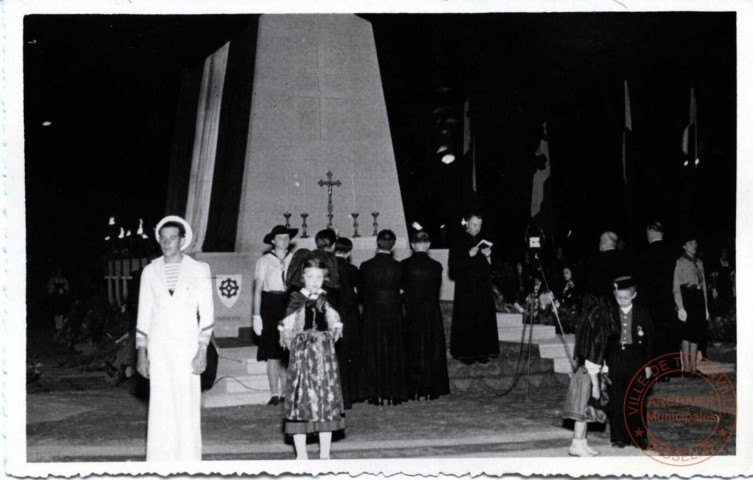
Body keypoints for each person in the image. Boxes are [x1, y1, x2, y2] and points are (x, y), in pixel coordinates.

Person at [136, 215, 214, 461]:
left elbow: (208, 312)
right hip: (158, 346)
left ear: (182, 240)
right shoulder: (150, 271)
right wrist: (142, 352)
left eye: (172, 238)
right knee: (160, 403)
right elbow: (144, 312)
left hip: (188, 345)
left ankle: (189, 461)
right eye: (163, 238)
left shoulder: (199, 269)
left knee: (186, 402)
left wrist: (202, 350)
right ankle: (160, 461)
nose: (167, 242)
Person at [279, 257, 345, 460]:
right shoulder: (295, 299)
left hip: (324, 355)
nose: (315, 281)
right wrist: (298, 349)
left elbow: (335, 325)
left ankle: (325, 454)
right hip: (302, 355)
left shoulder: (328, 299)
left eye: (319, 277)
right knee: (301, 399)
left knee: (326, 399)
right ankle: (301, 455)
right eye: (310, 276)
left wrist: (331, 331)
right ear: (302, 277)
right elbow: (287, 329)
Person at [563, 294, 617, 456]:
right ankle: (576, 443)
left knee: (587, 412)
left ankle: (582, 443)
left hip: (587, 372)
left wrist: (604, 369)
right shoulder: (598, 318)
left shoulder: (590, 314)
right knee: (583, 412)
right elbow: (593, 357)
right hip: (588, 375)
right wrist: (595, 385)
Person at [359, 229, 408, 405]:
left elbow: (362, 293)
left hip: (372, 311)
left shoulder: (365, 266)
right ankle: (394, 393)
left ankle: (375, 394)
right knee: (394, 350)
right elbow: (403, 291)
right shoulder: (399, 266)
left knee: (373, 350)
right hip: (393, 311)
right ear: (392, 245)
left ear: (377, 243)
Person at [401, 231, 451, 400]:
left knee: (413, 346)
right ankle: (432, 388)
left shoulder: (404, 265)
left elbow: (402, 290)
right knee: (432, 347)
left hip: (412, 309)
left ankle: (413, 388)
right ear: (428, 245)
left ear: (412, 245)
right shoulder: (436, 266)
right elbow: (436, 289)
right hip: (431, 309)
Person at [605, 276, 653, 448]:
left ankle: (639, 436)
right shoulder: (610, 313)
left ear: (634, 295)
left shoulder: (643, 313)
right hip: (616, 360)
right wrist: (604, 363)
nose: (621, 301)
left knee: (637, 400)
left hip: (636, 360)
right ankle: (620, 436)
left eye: (625, 298)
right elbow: (604, 341)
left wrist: (648, 364)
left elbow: (650, 341)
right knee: (617, 399)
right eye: (618, 298)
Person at [252, 225, 298, 406]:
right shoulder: (263, 261)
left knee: (288, 349)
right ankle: (274, 393)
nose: (284, 241)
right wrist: (256, 316)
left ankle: (288, 392)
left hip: (290, 303)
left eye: (287, 238)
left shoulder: (294, 259)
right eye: (280, 238)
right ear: (272, 241)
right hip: (271, 304)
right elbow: (257, 290)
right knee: (273, 351)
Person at [448, 213, 499, 364]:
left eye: (480, 225)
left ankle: (482, 352)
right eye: (474, 225)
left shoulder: (483, 241)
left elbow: (492, 269)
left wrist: (489, 257)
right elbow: (453, 268)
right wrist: (468, 255)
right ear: (467, 224)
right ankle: (466, 354)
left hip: (483, 288)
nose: (477, 228)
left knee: (482, 319)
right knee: (467, 320)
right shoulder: (457, 241)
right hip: (466, 289)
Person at [635, 222, 678, 367]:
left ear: (651, 232)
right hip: (667, 300)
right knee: (669, 334)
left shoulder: (644, 254)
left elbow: (639, 280)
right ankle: (671, 368)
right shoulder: (671, 253)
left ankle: (654, 367)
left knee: (652, 335)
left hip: (649, 302)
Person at [673, 234, 709, 374]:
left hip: (698, 298)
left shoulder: (699, 262)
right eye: (690, 243)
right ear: (684, 246)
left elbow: (704, 285)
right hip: (687, 297)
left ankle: (693, 368)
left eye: (695, 242)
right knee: (686, 334)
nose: (694, 245)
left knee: (697, 333)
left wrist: (706, 307)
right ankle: (687, 367)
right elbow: (676, 286)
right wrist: (680, 307)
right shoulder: (680, 262)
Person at [334, 237, 361, 408]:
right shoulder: (352, 269)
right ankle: (351, 394)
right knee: (351, 356)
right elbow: (358, 293)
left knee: (336, 357)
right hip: (350, 317)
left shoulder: (328, 268)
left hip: (333, 316)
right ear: (349, 252)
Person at [584, 232, 630, 302]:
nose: (599, 244)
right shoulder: (624, 258)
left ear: (604, 242)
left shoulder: (598, 261)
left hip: (604, 304)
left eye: (600, 241)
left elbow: (592, 286)